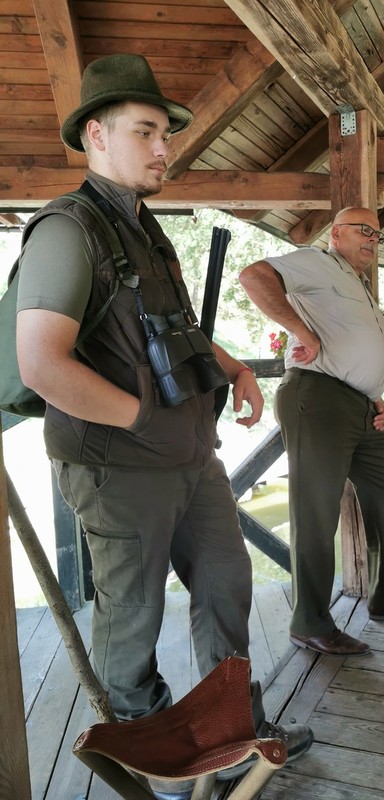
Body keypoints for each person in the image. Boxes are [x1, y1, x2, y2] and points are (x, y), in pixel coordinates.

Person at [14, 54, 312, 798]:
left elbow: (172, 329)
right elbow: (41, 365)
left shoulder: (145, 231)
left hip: (188, 458)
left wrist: (235, 367)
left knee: (225, 587)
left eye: (164, 135)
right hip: (119, 467)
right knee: (133, 620)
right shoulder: (66, 229)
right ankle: (158, 773)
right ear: (94, 134)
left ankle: (234, 737)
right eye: (145, 131)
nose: (162, 148)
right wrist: (144, 420)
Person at [238, 206, 384, 658]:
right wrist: (298, 330)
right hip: (318, 399)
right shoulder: (316, 262)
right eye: (363, 230)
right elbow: (254, 276)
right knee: (316, 511)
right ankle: (310, 621)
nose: (372, 239)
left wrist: (373, 393)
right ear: (336, 234)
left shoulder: (358, 285)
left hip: (358, 408)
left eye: (377, 234)